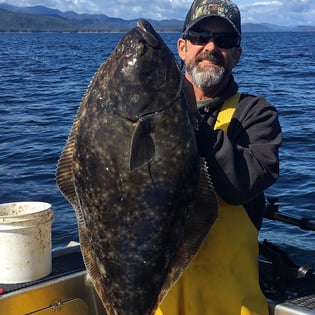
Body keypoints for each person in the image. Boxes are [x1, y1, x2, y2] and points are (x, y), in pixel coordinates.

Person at [156, 0, 282, 314]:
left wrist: (192, 123)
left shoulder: (256, 115)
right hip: (155, 305)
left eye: (224, 41)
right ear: (182, 47)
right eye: (200, 37)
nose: (211, 47)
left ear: (236, 55)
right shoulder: (149, 118)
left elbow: (242, 184)